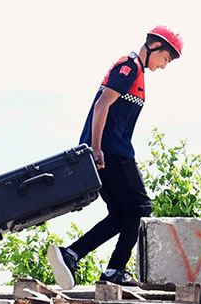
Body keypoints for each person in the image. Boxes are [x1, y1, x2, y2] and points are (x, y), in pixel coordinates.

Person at [47, 26, 183, 289]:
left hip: (112, 150)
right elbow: (102, 105)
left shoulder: (137, 72)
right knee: (141, 207)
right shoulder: (129, 66)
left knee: (123, 213)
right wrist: (95, 148)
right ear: (155, 46)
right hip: (111, 151)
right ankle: (115, 271)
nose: (164, 66)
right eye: (166, 59)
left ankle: (72, 254)